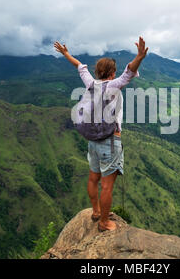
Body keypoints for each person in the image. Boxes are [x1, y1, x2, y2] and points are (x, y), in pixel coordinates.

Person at [54, 37, 148, 231]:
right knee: (107, 186)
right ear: (112, 73)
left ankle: (96, 212)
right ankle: (104, 223)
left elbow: (80, 66)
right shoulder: (114, 85)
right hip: (109, 142)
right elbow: (130, 71)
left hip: (92, 141)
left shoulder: (90, 84)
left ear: (97, 72)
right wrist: (139, 56)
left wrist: (65, 54)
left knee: (93, 179)